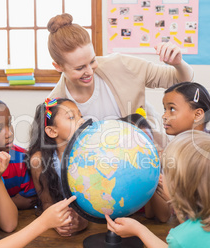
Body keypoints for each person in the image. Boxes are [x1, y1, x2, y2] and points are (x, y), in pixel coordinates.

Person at [47, 13, 194, 151]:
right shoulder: (54, 103)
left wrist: (178, 63)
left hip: (149, 157)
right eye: (80, 68)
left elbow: (181, 80)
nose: (90, 71)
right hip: (100, 172)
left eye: (92, 61)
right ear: (58, 67)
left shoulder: (121, 65)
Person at [28, 98, 88, 236]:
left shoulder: (90, 155)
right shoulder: (39, 160)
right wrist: (57, 224)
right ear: (52, 131)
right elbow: (47, 203)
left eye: (81, 116)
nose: (81, 121)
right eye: (72, 117)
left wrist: (83, 221)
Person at [120, 113, 171, 223]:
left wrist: (150, 174)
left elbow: (163, 216)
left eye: (149, 143)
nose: (146, 150)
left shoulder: (153, 167)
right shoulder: (118, 171)